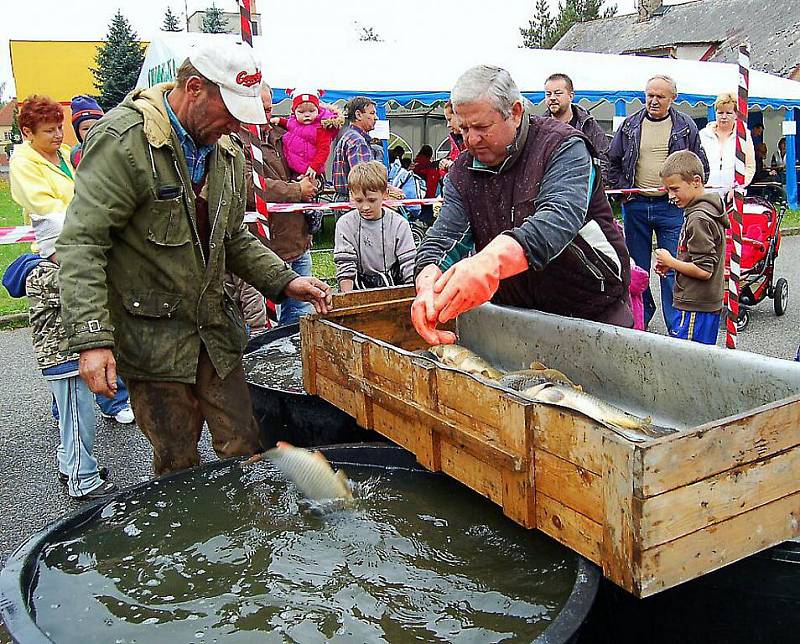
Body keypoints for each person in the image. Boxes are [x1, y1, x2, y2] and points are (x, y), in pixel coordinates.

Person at [55, 41, 332, 476]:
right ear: (195, 88)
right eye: (230, 111)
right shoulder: (123, 142)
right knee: (176, 463)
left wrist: (284, 280)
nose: (237, 125)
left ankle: (246, 537)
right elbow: (82, 245)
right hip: (152, 339)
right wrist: (92, 339)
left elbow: (232, 236)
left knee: (245, 447)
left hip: (215, 332)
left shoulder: (225, 151)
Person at [412, 65, 632, 345]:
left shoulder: (564, 147)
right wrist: (428, 279)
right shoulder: (462, 173)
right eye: (464, 127)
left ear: (515, 112)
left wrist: (489, 263)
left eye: (481, 127)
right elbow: (445, 236)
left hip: (593, 309)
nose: (470, 139)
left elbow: (556, 220)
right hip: (518, 315)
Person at [9, 94, 134, 424]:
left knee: (86, 326)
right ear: (27, 132)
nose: (57, 135)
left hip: (83, 245)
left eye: (59, 128)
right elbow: (50, 213)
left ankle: (92, 401)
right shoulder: (24, 163)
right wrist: (91, 221)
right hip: (58, 255)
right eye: (49, 130)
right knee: (75, 332)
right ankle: (104, 401)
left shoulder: (64, 156)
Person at [608, 75, 709, 332]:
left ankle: (675, 328)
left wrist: (687, 195)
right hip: (636, 206)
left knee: (672, 267)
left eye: (660, 96)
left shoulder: (685, 126)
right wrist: (625, 192)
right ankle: (642, 316)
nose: (653, 101)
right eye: (649, 95)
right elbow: (612, 160)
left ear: (673, 98)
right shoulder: (630, 125)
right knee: (636, 270)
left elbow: (700, 165)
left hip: (671, 208)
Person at [26, 213, 117, 499]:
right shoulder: (48, 276)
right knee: (78, 421)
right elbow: (84, 291)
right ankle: (83, 479)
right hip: (62, 360)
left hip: (64, 359)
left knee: (72, 419)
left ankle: (70, 465)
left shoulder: (48, 272)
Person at [239, 83, 319, 326]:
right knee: (261, 327)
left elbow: (311, 162)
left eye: (268, 108)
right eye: (259, 109)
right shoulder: (233, 141)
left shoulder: (283, 136)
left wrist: (312, 179)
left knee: (298, 324)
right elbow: (247, 186)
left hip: (297, 242)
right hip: (263, 248)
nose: (266, 114)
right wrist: (297, 190)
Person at [654, 151, 728, 345]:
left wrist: (670, 261)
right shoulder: (701, 211)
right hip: (702, 305)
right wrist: (674, 265)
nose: (670, 196)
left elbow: (704, 270)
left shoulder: (698, 218)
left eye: (675, 189)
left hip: (696, 306)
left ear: (696, 181)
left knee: (686, 363)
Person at [334, 161, 415, 292]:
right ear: (351, 195)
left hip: (393, 285)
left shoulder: (399, 224)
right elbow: (345, 266)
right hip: (357, 287)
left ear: (385, 194)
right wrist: (348, 300)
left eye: (372, 200)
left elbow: (409, 264)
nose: (365, 207)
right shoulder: (345, 224)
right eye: (359, 201)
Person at [544, 73, 610, 184]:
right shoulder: (539, 128)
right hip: (549, 191)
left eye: (558, 93)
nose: (552, 98)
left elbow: (603, 158)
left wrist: (595, 187)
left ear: (571, 96)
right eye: (548, 94)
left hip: (582, 191)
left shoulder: (588, 125)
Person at [271, 88, 343, 179]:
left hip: (311, 170)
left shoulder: (320, 128)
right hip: (294, 167)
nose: (307, 115)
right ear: (294, 112)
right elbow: (288, 124)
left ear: (318, 110)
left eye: (311, 111)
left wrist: (314, 167)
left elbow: (323, 150)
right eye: (301, 112)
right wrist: (279, 120)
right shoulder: (294, 122)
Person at [699, 92, 755, 197]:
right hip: (706, 194)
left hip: (734, 195)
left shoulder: (743, 137)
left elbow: (750, 166)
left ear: (736, 114)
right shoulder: (703, 135)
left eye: (728, 113)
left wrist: (739, 187)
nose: (724, 117)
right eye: (720, 113)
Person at [332, 96, 379, 198]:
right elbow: (362, 181)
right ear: (358, 115)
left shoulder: (348, 136)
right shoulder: (358, 141)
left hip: (344, 199)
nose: (376, 117)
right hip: (355, 201)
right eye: (372, 113)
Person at [69, 95, 104, 167]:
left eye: (95, 127)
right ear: (78, 133)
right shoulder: (77, 154)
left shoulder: (113, 146)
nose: (91, 131)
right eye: (85, 129)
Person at [438, 100, 465, 174]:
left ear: (459, 115)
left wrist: (452, 166)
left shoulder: (474, 141)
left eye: (449, 120)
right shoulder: (456, 141)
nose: (448, 125)